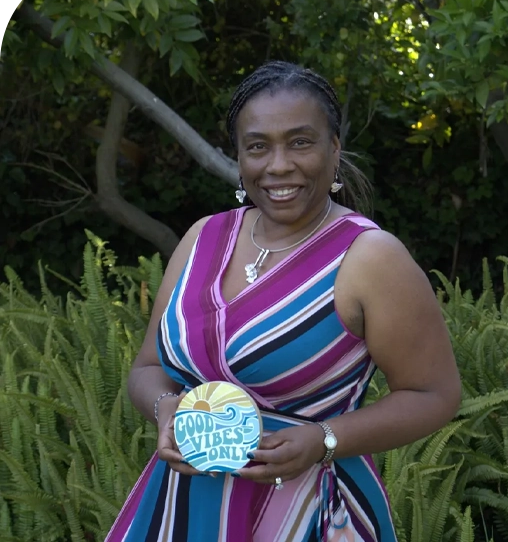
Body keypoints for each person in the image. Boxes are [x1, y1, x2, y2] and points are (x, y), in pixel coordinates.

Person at [105, 61, 461, 542]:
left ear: (334, 149)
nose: (278, 165)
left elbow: (434, 395)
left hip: (307, 511)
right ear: (240, 157)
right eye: (258, 146)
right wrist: (166, 408)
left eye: (300, 142)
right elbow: (148, 368)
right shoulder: (203, 238)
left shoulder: (370, 258)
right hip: (186, 506)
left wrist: (324, 440)